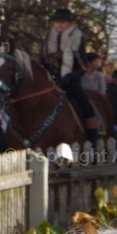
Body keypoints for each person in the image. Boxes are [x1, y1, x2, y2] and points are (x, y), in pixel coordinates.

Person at [41, 8, 99, 143]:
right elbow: (42, 61)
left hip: (71, 82)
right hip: (50, 81)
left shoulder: (77, 37)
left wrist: (69, 77)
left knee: (86, 107)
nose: (59, 25)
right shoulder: (48, 37)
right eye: (57, 22)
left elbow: (82, 66)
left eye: (63, 22)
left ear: (69, 23)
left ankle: (92, 140)